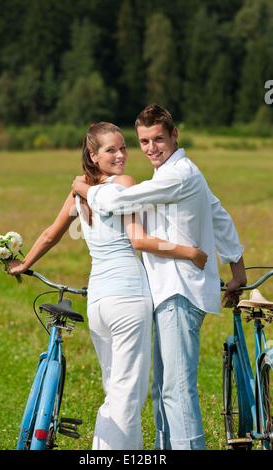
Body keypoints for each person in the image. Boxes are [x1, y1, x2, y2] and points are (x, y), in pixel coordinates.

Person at [8, 121, 207, 450]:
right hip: (128, 299)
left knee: (116, 389)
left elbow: (51, 234)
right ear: (93, 154)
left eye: (123, 147)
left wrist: (26, 263)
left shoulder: (80, 190)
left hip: (99, 303)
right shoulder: (122, 183)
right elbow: (137, 239)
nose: (121, 155)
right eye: (111, 149)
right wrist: (190, 253)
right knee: (126, 396)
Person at [72, 106, 247, 450]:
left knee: (176, 389)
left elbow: (120, 199)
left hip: (179, 291)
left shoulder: (177, 176)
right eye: (144, 141)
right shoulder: (178, 172)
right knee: (163, 388)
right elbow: (219, 215)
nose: (150, 148)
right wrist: (237, 270)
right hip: (169, 292)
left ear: (174, 136)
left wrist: (83, 187)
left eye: (158, 139)